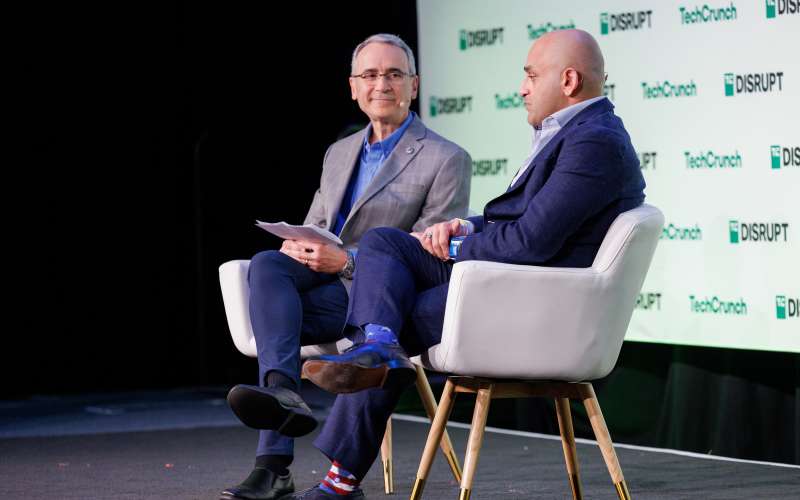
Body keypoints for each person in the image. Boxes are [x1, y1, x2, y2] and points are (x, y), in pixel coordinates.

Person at [294, 29, 646, 498]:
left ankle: (343, 471)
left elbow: (532, 242)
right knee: (385, 244)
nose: (522, 87)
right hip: (507, 275)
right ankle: (377, 344)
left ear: (567, 80)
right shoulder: (575, 132)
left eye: (530, 75)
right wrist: (466, 227)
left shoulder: (594, 142)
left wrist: (457, 248)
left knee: (395, 314)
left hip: (531, 295)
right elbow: (524, 221)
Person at [220, 34, 471, 500]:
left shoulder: (446, 158)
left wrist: (348, 261)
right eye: (371, 75)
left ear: (413, 85)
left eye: (394, 74)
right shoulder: (339, 152)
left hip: (375, 296)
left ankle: (273, 465)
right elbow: (317, 221)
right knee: (267, 265)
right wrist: (302, 243)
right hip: (319, 277)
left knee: (279, 316)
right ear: (353, 87)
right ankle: (282, 392)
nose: (383, 84)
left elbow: (428, 254)